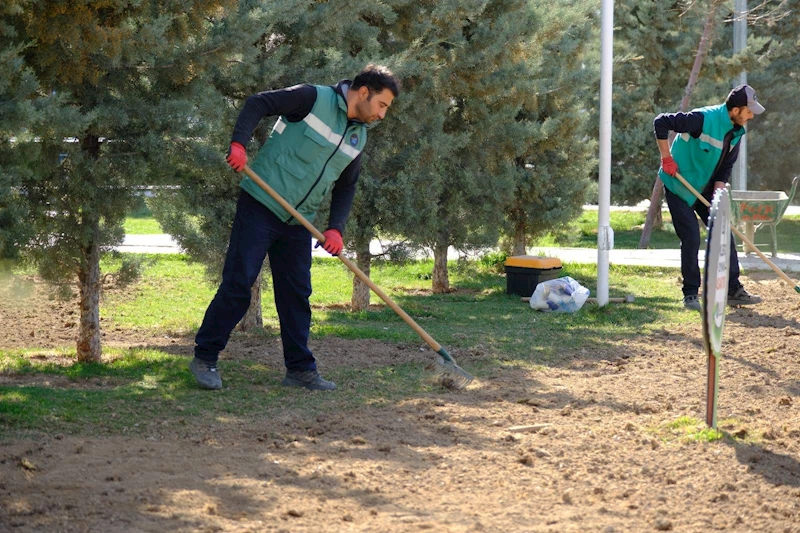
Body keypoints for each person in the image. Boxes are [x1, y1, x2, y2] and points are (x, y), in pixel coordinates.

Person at [189, 64, 400, 390]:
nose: (383, 114)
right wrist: (239, 144)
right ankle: (205, 357)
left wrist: (336, 228)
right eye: (382, 104)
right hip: (260, 203)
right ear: (363, 93)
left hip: (299, 220)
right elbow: (258, 103)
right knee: (238, 284)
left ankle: (300, 370)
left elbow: (347, 184)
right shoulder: (312, 98)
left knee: (296, 296)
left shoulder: (359, 135)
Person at [654, 84, 764, 311]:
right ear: (735, 110)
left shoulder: (737, 131)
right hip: (679, 185)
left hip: (705, 188)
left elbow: (726, 166)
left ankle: (733, 290)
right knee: (692, 238)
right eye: (749, 110)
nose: (752, 115)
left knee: (724, 231)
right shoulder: (702, 119)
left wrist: (719, 190)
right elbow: (661, 122)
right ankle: (691, 294)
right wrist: (666, 158)